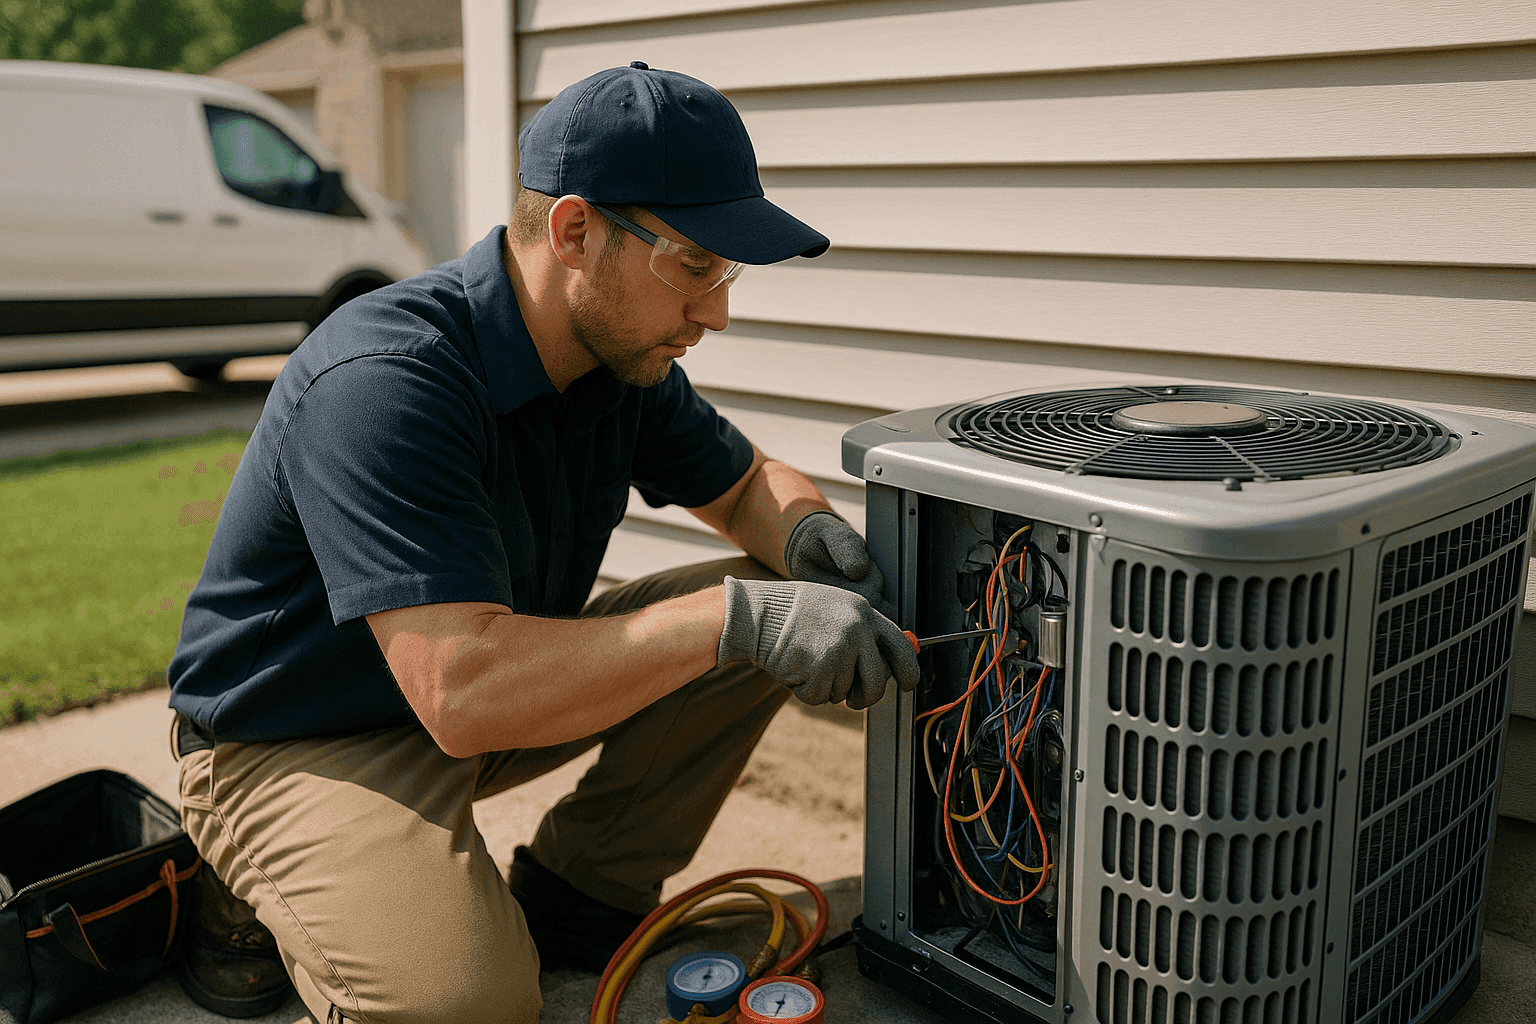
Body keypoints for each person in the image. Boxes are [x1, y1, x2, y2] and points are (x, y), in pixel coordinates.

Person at [165, 62, 919, 1023]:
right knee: (466, 1006)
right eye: (695, 266)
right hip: (297, 739)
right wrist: (739, 619)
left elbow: (742, 486)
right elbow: (465, 693)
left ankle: (577, 898)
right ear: (575, 231)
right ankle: (249, 879)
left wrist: (806, 529)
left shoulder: (616, 354)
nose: (716, 311)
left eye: (724, 274)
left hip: (473, 690)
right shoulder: (385, 379)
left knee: (763, 600)